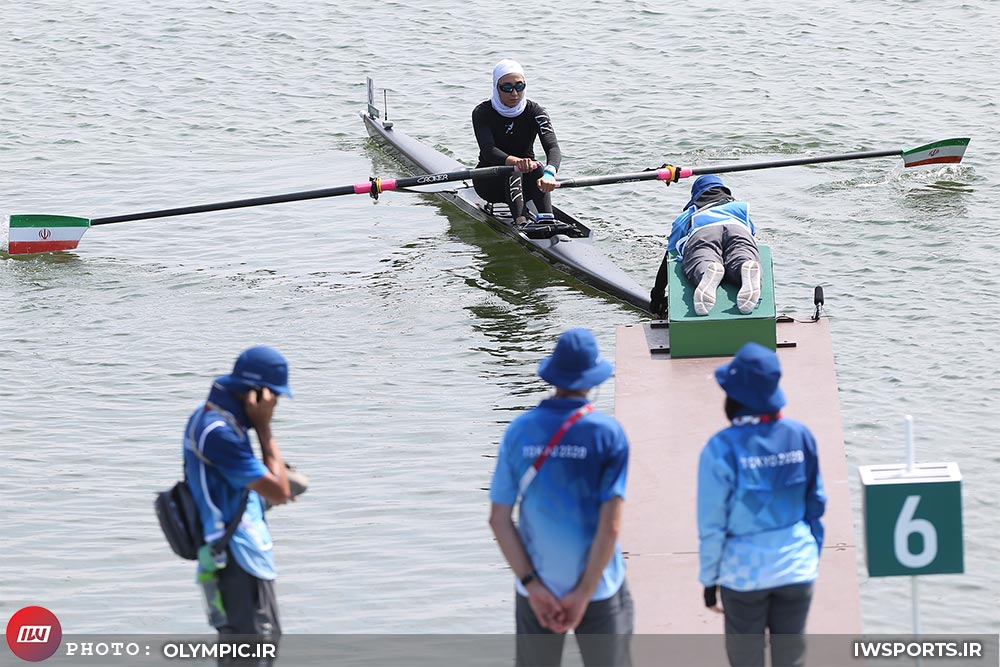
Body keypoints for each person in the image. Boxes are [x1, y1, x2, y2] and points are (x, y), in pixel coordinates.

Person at [488, 328, 633, 667]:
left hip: (535, 589)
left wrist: (533, 586)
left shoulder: (519, 431)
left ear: (554, 376)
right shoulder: (607, 435)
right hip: (598, 589)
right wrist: (582, 595)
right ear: (592, 380)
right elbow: (609, 528)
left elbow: (498, 519)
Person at [697, 342, 826, 667]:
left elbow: (711, 523)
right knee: (791, 658)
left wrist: (709, 581)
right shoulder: (801, 436)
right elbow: (816, 505)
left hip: (743, 578)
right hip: (797, 569)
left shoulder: (720, 448)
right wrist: (809, 555)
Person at [184, 346, 294, 660]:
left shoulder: (220, 421)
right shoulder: (219, 432)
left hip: (239, 556)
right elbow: (279, 492)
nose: (275, 405)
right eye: (275, 397)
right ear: (258, 394)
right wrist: (264, 428)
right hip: (237, 559)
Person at [649, 174, 762, 318]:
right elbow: (751, 234)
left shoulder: (691, 212)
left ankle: (707, 272)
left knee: (702, 256)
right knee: (742, 252)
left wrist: (657, 295)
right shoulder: (739, 208)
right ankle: (744, 266)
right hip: (738, 228)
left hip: (704, 230)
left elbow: (669, 256)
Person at [472, 59, 562, 230]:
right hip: (490, 182)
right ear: (495, 87)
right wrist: (516, 162)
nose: (514, 93)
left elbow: (553, 147)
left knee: (537, 167)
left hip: (527, 183)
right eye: (507, 88)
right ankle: (520, 221)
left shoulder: (536, 112)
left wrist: (550, 173)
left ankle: (546, 218)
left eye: (519, 86)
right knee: (515, 169)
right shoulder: (482, 112)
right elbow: (489, 150)